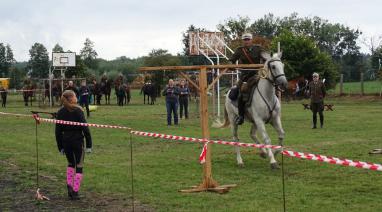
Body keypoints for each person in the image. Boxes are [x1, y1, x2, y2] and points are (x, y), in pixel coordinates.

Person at [55, 90, 92, 200]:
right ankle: (75, 191)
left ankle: (69, 187)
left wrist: (60, 146)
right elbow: (85, 128)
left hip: (66, 141)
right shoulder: (78, 110)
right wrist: (89, 145)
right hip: (77, 141)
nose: (76, 97)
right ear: (71, 98)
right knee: (79, 165)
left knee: (70, 163)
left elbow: (57, 131)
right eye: (75, 96)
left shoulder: (60, 112)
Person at [230, 33, 265, 125]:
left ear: (251, 40)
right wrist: (231, 65)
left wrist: (267, 62)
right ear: (243, 41)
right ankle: (241, 116)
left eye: (248, 39)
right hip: (245, 76)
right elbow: (232, 60)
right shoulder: (239, 50)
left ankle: (273, 109)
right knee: (241, 92)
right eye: (245, 40)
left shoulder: (258, 48)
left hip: (258, 75)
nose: (246, 41)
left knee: (270, 86)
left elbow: (265, 57)